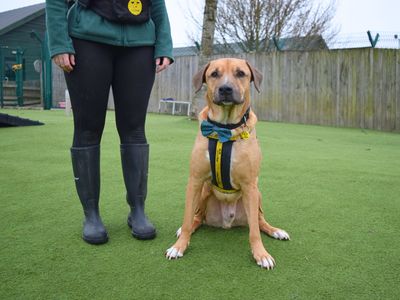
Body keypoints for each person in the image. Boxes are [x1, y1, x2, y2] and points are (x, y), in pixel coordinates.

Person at [46, 0, 173, 244]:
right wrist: (60, 43)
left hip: (140, 43)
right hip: (87, 39)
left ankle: (137, 210)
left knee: (135, 129)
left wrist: (164, 44)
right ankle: (91, 215)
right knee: (87, 129)